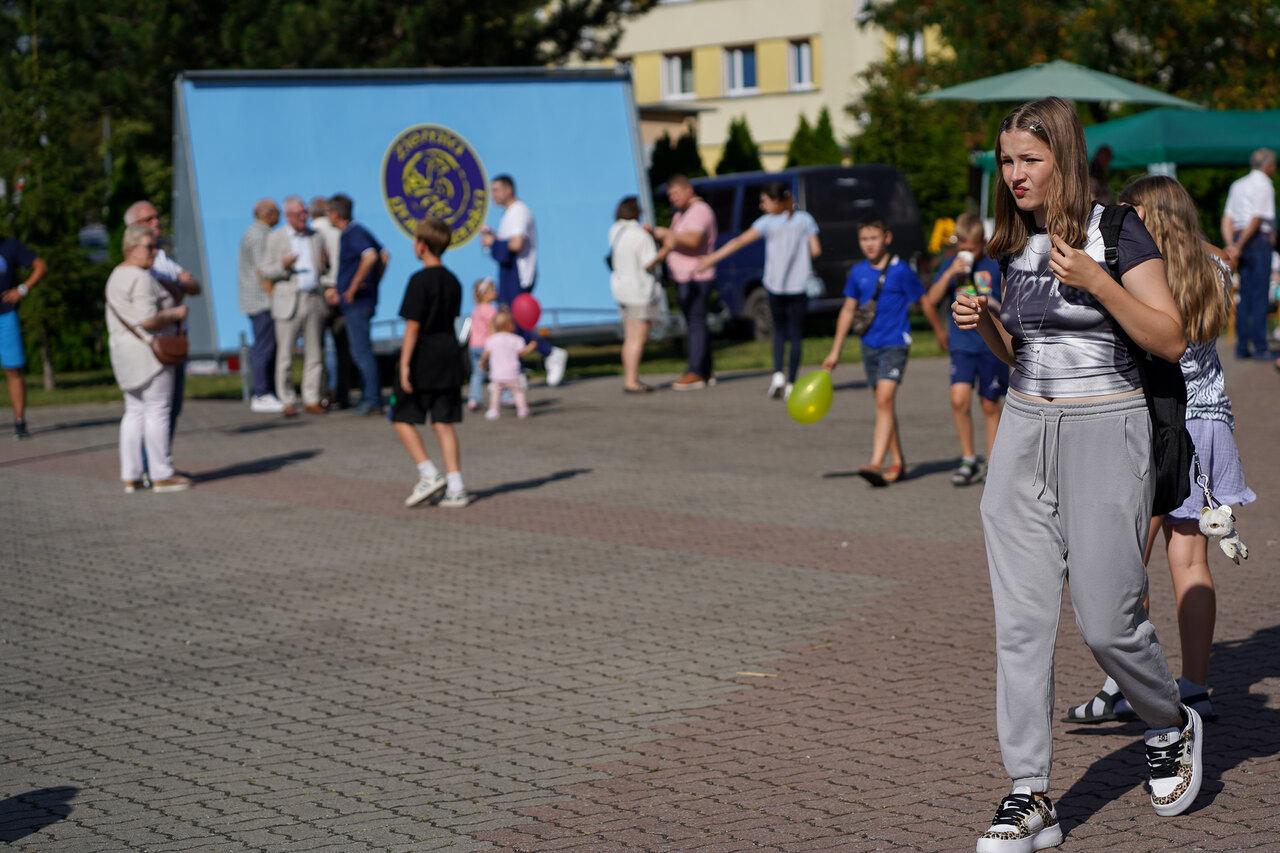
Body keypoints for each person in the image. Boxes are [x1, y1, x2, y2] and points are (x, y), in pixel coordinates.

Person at [954, 98, 1203, 851]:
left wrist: (1098, 281)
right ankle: (1028, 792)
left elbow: (1170, 337)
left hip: (1107, 426)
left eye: (1029, 159)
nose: (1014, 173)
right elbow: (1022, 352)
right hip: (1025, 429)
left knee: (1107, 619)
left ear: (1063, 158)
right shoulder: (1011, 240)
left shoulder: (1118, 230)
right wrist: (986, 322)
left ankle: (1168, 720)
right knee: (1021, 623)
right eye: (1006, 160)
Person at [1063, 175, 1255, 728]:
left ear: (1146, 216)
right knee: (1189, 560)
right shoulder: (1211, 269)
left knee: (1127, 561)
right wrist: (1185, 232)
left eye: (1129, 212)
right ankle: (1194, 686)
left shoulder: (1144, 275)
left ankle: (1125, 684)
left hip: (1161, 423)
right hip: (1211, 422)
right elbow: (1220, 253)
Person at [822, 217, 924, 487]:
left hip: (895, 343)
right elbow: (848, 310)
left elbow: (922, 300)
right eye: (864, 239)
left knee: (884, 400)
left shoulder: (901, 270)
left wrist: (939, 332)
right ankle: (897, 461)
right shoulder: (857, 273)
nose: (869, 244)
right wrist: (835, 351)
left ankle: (876, 462)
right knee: (883, 405)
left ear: (887, 238)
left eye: (874, 238)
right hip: (869, 346)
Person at [697, 182, 820, 399]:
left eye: (764, 201)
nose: (761, 205)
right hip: (799, 285)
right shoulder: (805, 220)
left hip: (775, 285)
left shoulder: (766, 223)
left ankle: (777, 376)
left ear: (777, 201)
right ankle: (791, 382)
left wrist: (711, 259)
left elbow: (738, 242)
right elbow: (816, 250)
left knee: (779, 332)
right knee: (795, 334)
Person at [921, 212, 1007, 486]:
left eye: (972, 248)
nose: (967, 253)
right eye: (963, 247)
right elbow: (930, 300)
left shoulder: (994, 264)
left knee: (990, 403)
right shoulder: (950, 264)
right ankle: (968, 458)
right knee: (959, 399)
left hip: (991, 345)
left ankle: (993, 462)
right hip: (962, 344)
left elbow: (1006, 303)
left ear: (983, 243)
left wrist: (990, 304)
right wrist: (950, 273)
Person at [105, 225, 191, 493]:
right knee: (157, 410)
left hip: (123, 352)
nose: (155, 252)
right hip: (150, 353)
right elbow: (148, 320)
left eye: (156, 246)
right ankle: (161, 474)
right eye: (150, 247)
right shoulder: (140, 278)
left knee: (134, 412)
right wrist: (176, 314)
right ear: (131, 248)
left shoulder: (116, 275)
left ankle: (131, 475)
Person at [392, 217, 470, 509]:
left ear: (422, 246)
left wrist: (404, 365)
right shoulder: (453, 281)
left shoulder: (419, 281)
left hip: (423, 357)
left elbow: (413, 326)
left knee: (400, 417)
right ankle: (456, 486)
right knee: (443, 422)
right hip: (448, 355)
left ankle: (428, 472)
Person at [124, 201, 201, 447]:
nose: (156, 223)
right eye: (148, 219)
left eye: (156, 217)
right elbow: (149, 311)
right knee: (151, 409)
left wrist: (180, 284)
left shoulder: (161, 257)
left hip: (172, 340)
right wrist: (177, 293)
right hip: (152, 343)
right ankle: (151, 463)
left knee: (170, 407)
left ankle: (159, 460)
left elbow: (193, 285)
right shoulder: (134, 268)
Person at [480, 174, 568, 387]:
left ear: (509, 190)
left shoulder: (519, 211)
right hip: (508, 273)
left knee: (516, 321)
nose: (493, 195)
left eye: (496, 190)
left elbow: (516, 244)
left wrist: (493, 242)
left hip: (518, 274)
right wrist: (494, 238)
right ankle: (515, 373)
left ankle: (550, 353)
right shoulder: (508, 213)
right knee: (508, 322)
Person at [261, 196, 330, 416]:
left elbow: (325, 267)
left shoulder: (316, 236)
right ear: (289, 216)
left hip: (313, 298)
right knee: (285, 354)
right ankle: (287, 399)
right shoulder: (276, 237)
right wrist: (283, 265)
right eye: (300, 214)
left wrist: (324, 264)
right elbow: (265, 270)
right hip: (288, 301)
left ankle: (312, 397)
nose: (304, 217)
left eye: (305, 212)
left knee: (315, 352)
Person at [653, 175, 717, 390]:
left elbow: (693, 240)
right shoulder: (681, 213)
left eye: (676, 193)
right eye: (670, 195)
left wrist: (666, 233)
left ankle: (696, 371)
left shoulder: (699, 211)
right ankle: (705, 370)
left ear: (688, 190)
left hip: (696, 277)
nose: (672, 198)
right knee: (694, 323)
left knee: (696, 323)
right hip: (684, 277)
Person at [326, 194, 389, 415]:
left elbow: (371, 257)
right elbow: (384, 256)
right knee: (361, 350)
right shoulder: (359, 231)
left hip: (357, 303)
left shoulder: (353, 233)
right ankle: (370, 396)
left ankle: (372, 399)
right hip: (362, 300)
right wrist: (373, 283)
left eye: (328, 213)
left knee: (361, 351)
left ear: (335, 214)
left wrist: (353, 288)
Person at [1221, 148, 1277, 359]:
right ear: (1268, 165)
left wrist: (1231, 245)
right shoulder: (1264, 184)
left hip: (1238, 236)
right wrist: (1241, 244)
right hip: (1257, 239)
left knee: (1244, 294)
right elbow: (1257, 218)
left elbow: (1227, 218)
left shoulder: (1238, 184)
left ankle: (1242, 346)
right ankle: (1261, 347)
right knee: (1260, 293)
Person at [608, 195, 662, 393]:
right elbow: (649, 263)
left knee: (629, 337)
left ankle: (630, 378)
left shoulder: (615, 231)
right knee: (638, 338)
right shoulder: (640, 236)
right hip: (639, 292)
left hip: (621, 290)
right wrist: (665, 250)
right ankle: (632, 380)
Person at [0, 230, 47, 439]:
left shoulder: (10, 245)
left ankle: (20, 421)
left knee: (13, 369)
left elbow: (40, 265)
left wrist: (22, 289)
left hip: (5, 314)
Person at [238, 199, 284, 413]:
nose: (280, 216)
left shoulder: (257, 232)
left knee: (267, 345)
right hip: (261, 301)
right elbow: (262, 270)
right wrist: (274, 297)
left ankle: (267, 391)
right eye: (277, 211)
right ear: (268, 214)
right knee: (265, 347)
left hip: (258, 299)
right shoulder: (260, 235)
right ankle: (262, 393)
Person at [310, 195, 354, 409]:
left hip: (322, 290)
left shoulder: (314, 231)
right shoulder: (343, 231)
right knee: (341, 346)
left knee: (318, 346)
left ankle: (323, 393)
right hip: (342, 289)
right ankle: (342, 393)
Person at [481, 310, 538, 420]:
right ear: (510, 325)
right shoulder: (516, 339)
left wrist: (482, 363)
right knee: (518, 392)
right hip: (512, 373)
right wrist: (531, 347)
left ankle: (494, 411)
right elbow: (522, 353)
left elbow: (486, 354)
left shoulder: (491, 340)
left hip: (497, 373)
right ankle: (522, 410)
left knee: (496, 393)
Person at [467, 278, 498, 410]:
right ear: (485, 294)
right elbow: (492, 329)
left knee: (477, 374)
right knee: (498, 371)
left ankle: (474, 399)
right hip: (486, 346)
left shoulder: (476, 309)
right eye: (493, 290)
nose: (495, 291)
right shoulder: (490, 310)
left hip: (474, 346)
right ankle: (505, 396)